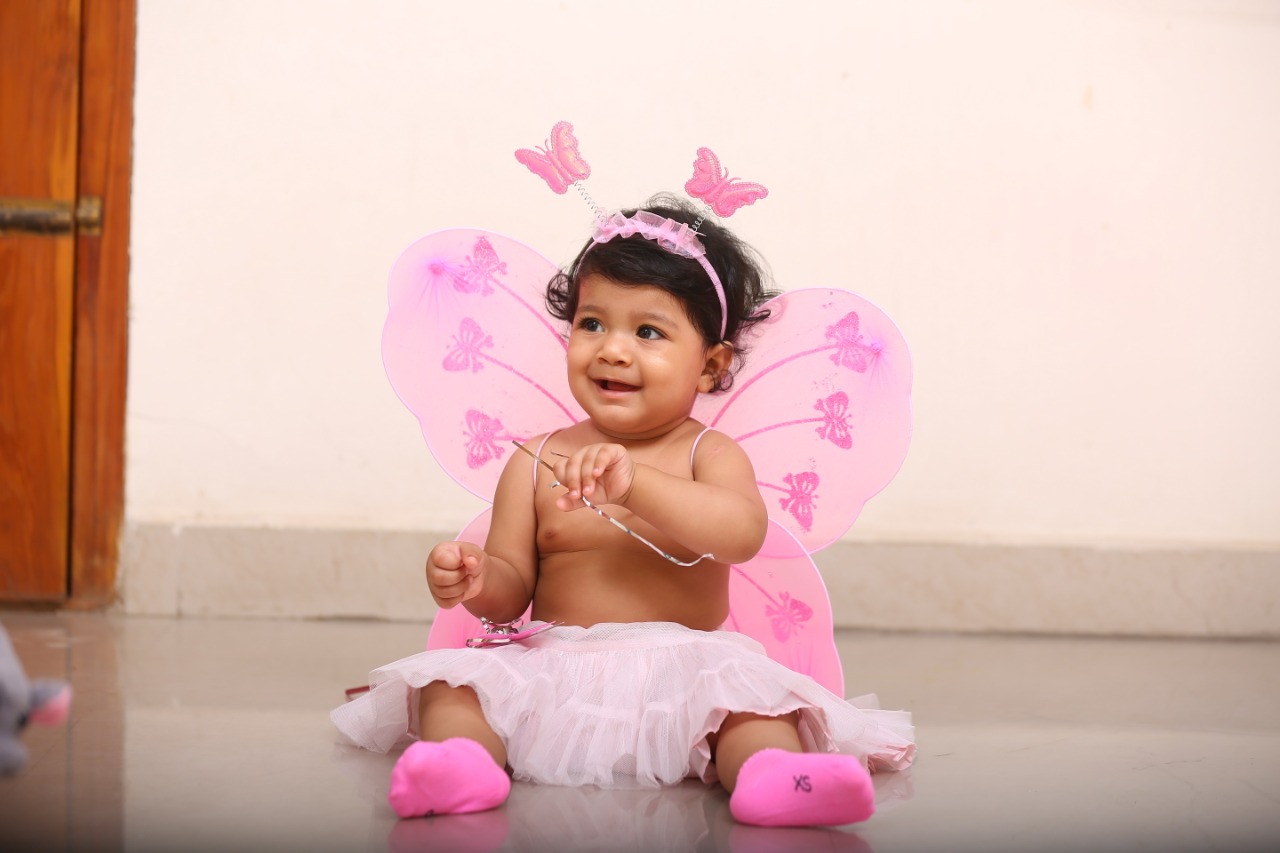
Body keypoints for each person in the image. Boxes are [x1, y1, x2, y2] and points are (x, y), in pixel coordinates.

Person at [332, 196, 915, 828]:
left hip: (688, 668)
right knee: (451, 688)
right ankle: (460, 765)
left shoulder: (708, 453)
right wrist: (476, 577)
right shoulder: (536, 459)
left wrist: (636, 484)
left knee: (754, 705)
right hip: (553, 667)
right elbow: (511, 592)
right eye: (592, 324)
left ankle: (776, 777)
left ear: (711, 365)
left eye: (648, 332)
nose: (612, 350)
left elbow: (741, 535)